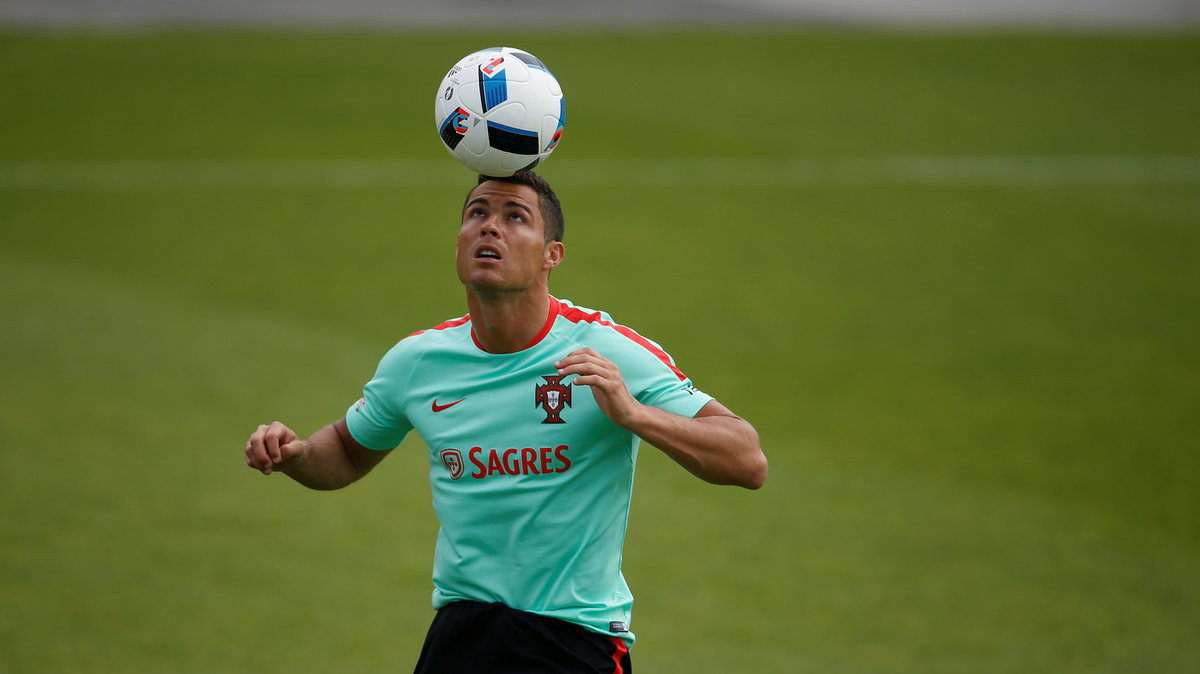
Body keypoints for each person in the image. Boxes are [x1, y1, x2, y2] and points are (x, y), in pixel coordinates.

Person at [244, 170, 767, 673]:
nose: (490, 226)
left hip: (572, 640)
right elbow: (349, 449)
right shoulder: (418, 363)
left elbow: (747, 459)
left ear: (551, 256)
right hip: (461, 635)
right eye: (477, 213)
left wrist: (634, 414)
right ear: (458, 244)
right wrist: (298, 457)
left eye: (515, 217)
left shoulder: (605, 352)